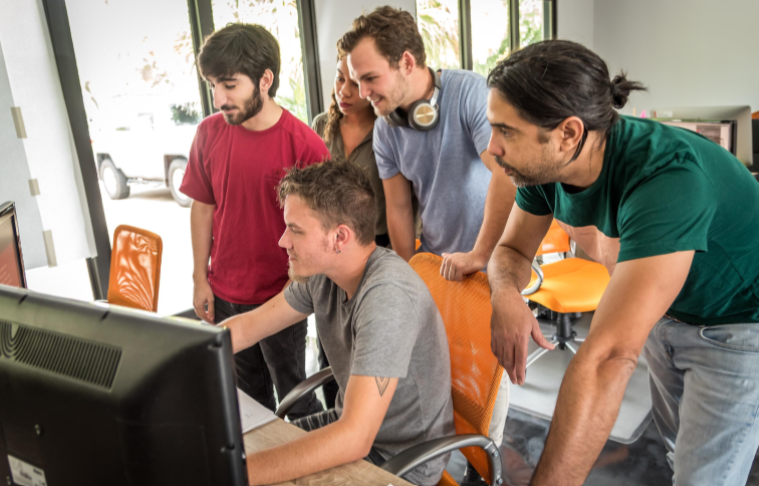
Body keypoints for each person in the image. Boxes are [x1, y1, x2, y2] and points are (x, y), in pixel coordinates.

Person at [486, 39, 759, 486]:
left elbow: (608, 358)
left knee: (703, 478)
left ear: (569, 133)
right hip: (666, 314)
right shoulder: (545, 165)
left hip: (740, 324)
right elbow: (512, 251)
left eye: (506, 131)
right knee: (677, 454)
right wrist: (505, 294)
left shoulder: (666, 179)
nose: (492, 147)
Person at [337, 7, 514, 481]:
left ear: (407, 62)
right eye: (356, 80)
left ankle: (485, 469)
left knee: (482, 380)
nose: (361, 92)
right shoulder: (386, 128)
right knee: (443, 369)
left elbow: (507, 174)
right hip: (437, 261)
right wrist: (406, 272)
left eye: (370, 78)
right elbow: (398, 208)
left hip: (491, 260)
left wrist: (481, 254)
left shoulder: (469, 93)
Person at [223, 160, 455, 486]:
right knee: (235, 450)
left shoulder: (388, 296)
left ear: (339, 237)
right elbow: (248, 327)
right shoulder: (324, 274)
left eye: (296, 230)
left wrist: (235, 474)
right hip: (349, 428)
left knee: (238, 469)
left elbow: (355, 439)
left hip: (401, 460)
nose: (283, 241)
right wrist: (181, 356)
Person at [180, 23, 329, 419]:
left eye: (229, 85)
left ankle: (315, 452)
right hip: (225, 293)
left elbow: (321, 231)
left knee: (295, 396)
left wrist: (301, 288)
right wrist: (200, 278)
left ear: (265, 80)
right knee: (250, 403)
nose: (219, 98)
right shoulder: (207, 134)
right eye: (213, 85)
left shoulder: (305, 145)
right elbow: (202, 207)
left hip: (282, 296)